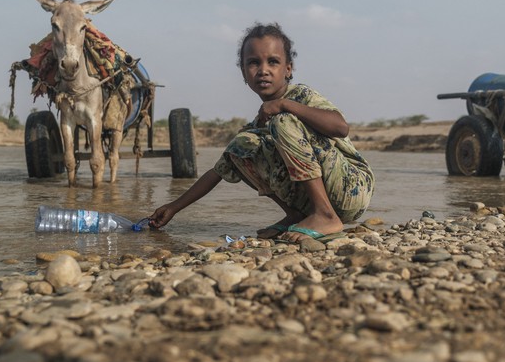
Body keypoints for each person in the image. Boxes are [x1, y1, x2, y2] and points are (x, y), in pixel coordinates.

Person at [149, 22, 374, 243]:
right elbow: (216, 172)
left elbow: (340, 126)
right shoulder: (259, 121)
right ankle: (297, 216)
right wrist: (173, 208)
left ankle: (324, 215)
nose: (263, 70)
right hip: (322, 195)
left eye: (273, 62)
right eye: (254, 63)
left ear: (288, 69)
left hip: (351, 187)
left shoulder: (301, 96)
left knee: (283, 122)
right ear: (244, 72)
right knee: (242, 145)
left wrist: (285, 105)